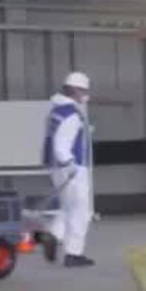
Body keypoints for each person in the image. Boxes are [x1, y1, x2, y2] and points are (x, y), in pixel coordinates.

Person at [40, 71, 94, 267]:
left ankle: (53, 234)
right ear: (76, 91)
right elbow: (62, 144)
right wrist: (70, 164)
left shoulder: (56, 110)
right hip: (72, 167)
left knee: (68, 207)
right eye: (84, 91)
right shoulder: (72, 114)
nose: (86, 95)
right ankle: (73, 254)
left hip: (56, 167)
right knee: (81, 211)